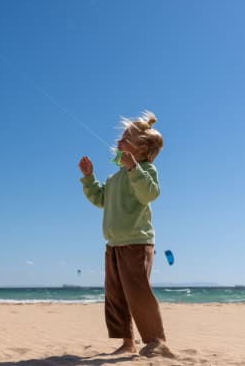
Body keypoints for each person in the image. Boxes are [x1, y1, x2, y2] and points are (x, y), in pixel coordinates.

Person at [78, 111, 174, 358]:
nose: (119, 142)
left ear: (141, 151)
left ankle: (156, 341)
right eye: (121, 138)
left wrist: (134, 169)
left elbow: (149, 194)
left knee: (138, 292)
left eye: (125, 139)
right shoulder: (114, 178)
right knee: (115, 295)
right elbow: (100, 199)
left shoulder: (146, 170)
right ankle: (127, 341)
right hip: (113, 245)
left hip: (137, 242)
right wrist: (89, 178)